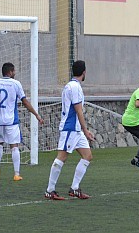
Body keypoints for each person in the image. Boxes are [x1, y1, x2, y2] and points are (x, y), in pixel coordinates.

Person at [44, 60, 95, 200]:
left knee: (87, 156)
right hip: (71, 128)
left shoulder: (71, 85)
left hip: (76, 129)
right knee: (62, 157)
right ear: (84, 72)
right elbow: (78, 110)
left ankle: (74, 189)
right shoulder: (75, 87)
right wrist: (86, 130)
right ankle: (50, 190)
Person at [0, 62, 44, 181]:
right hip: (11, 120)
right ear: (10, 72)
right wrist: (36, 114)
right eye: (14, 71)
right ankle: (16, 174)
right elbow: (25, 102)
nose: (15, 73)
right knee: (14, 146)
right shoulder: (16, 84)